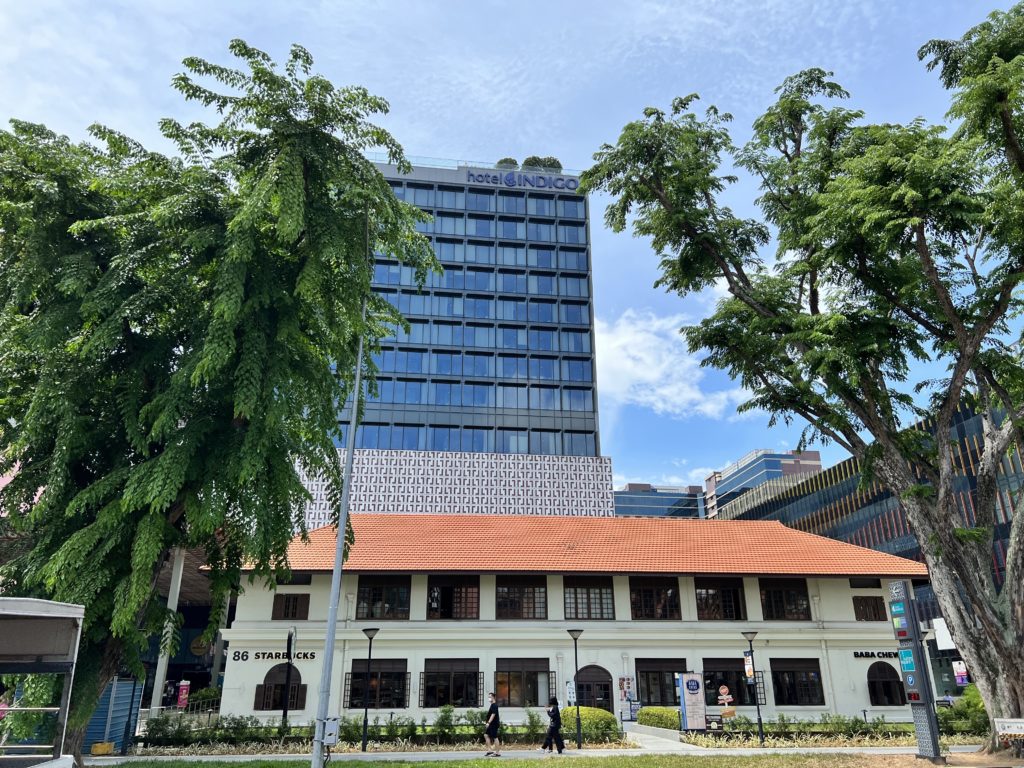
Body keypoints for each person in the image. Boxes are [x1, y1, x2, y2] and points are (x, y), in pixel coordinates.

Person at [484, 692, 501, 757]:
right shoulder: (492, 705)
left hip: (493, 724)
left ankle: (497, 753)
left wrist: (488, 722)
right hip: (491, 724)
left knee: (495, 737)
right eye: (488, 697)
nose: (489, 698)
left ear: (493, 697)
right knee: (486, 735)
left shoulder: (494, 705)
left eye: (490, 697)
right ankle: (490, 751)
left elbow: (493, 715)